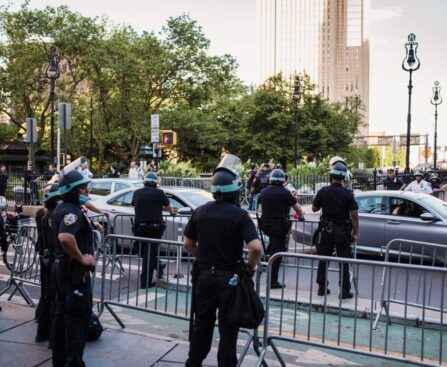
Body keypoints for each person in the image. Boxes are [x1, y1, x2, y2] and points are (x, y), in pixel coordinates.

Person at [184, 165, 262, 367]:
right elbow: (255, 248)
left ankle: (194, 362)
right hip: (229, 280)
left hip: (205, 278)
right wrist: (250, 268)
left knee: (202, 324)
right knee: (228, 328)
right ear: (235, 191)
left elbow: (188, 244)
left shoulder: (200, 212)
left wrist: (203, 258)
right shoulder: (239, 215)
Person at [51, 170, 95, 367]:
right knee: (76, 322)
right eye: (82, 187)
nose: (86, 190)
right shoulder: (71, 211)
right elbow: (65, 237)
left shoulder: (63, 208)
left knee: (61, 317)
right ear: (72, 190)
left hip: (62, 270)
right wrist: (82, 259)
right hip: (74, 273)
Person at [312, 162, 359, 300]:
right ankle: (344, 291)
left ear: (331, 176)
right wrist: (355, 233)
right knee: (343, 260)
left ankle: (321, 288)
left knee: (323, 259)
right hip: (342, 231)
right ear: (344, 178)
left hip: (326, 230)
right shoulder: (348, 194)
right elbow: (355, 215)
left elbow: (314, 208)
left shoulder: (323, 191)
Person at [259, 169, 305, 289]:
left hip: (265, 226)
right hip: (279, 228)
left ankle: (267, 259)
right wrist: (301, 217)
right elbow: (297, 208)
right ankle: (273, 281)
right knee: (278, 254)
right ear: (282, 181)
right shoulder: (285, 193)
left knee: (273, 248)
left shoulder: (264, 192)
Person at [131, 171, 175, 288]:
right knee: (149, 256)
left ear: (144, 182)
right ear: (156, 183)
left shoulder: (137, 192)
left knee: (144, 253)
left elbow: (134, 205)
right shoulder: (159, 193)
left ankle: (156, 267)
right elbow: (169, 207)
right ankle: (146, 282)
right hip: (153, 230)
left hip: (139, 229)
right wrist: (173, 213)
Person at [35, 184, 60, 344]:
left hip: (45, 255)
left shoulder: (42, 214)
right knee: (53, 297)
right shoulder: (53, 215)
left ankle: (43, 331)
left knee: (46, 293)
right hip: (52, 258)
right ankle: (51, 335)